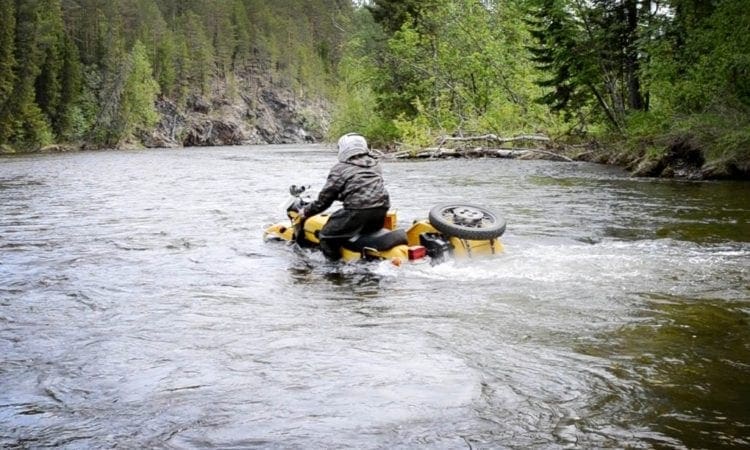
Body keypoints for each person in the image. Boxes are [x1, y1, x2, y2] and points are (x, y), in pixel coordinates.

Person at [299, 133, 390, 260]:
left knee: (326, 236)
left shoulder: (340, 169)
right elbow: (364, 187)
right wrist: (343, 195)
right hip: (381, 209)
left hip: (357, 211)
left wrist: (306, 211)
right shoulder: (375, 164)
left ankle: (334, 270)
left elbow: (325, 199)